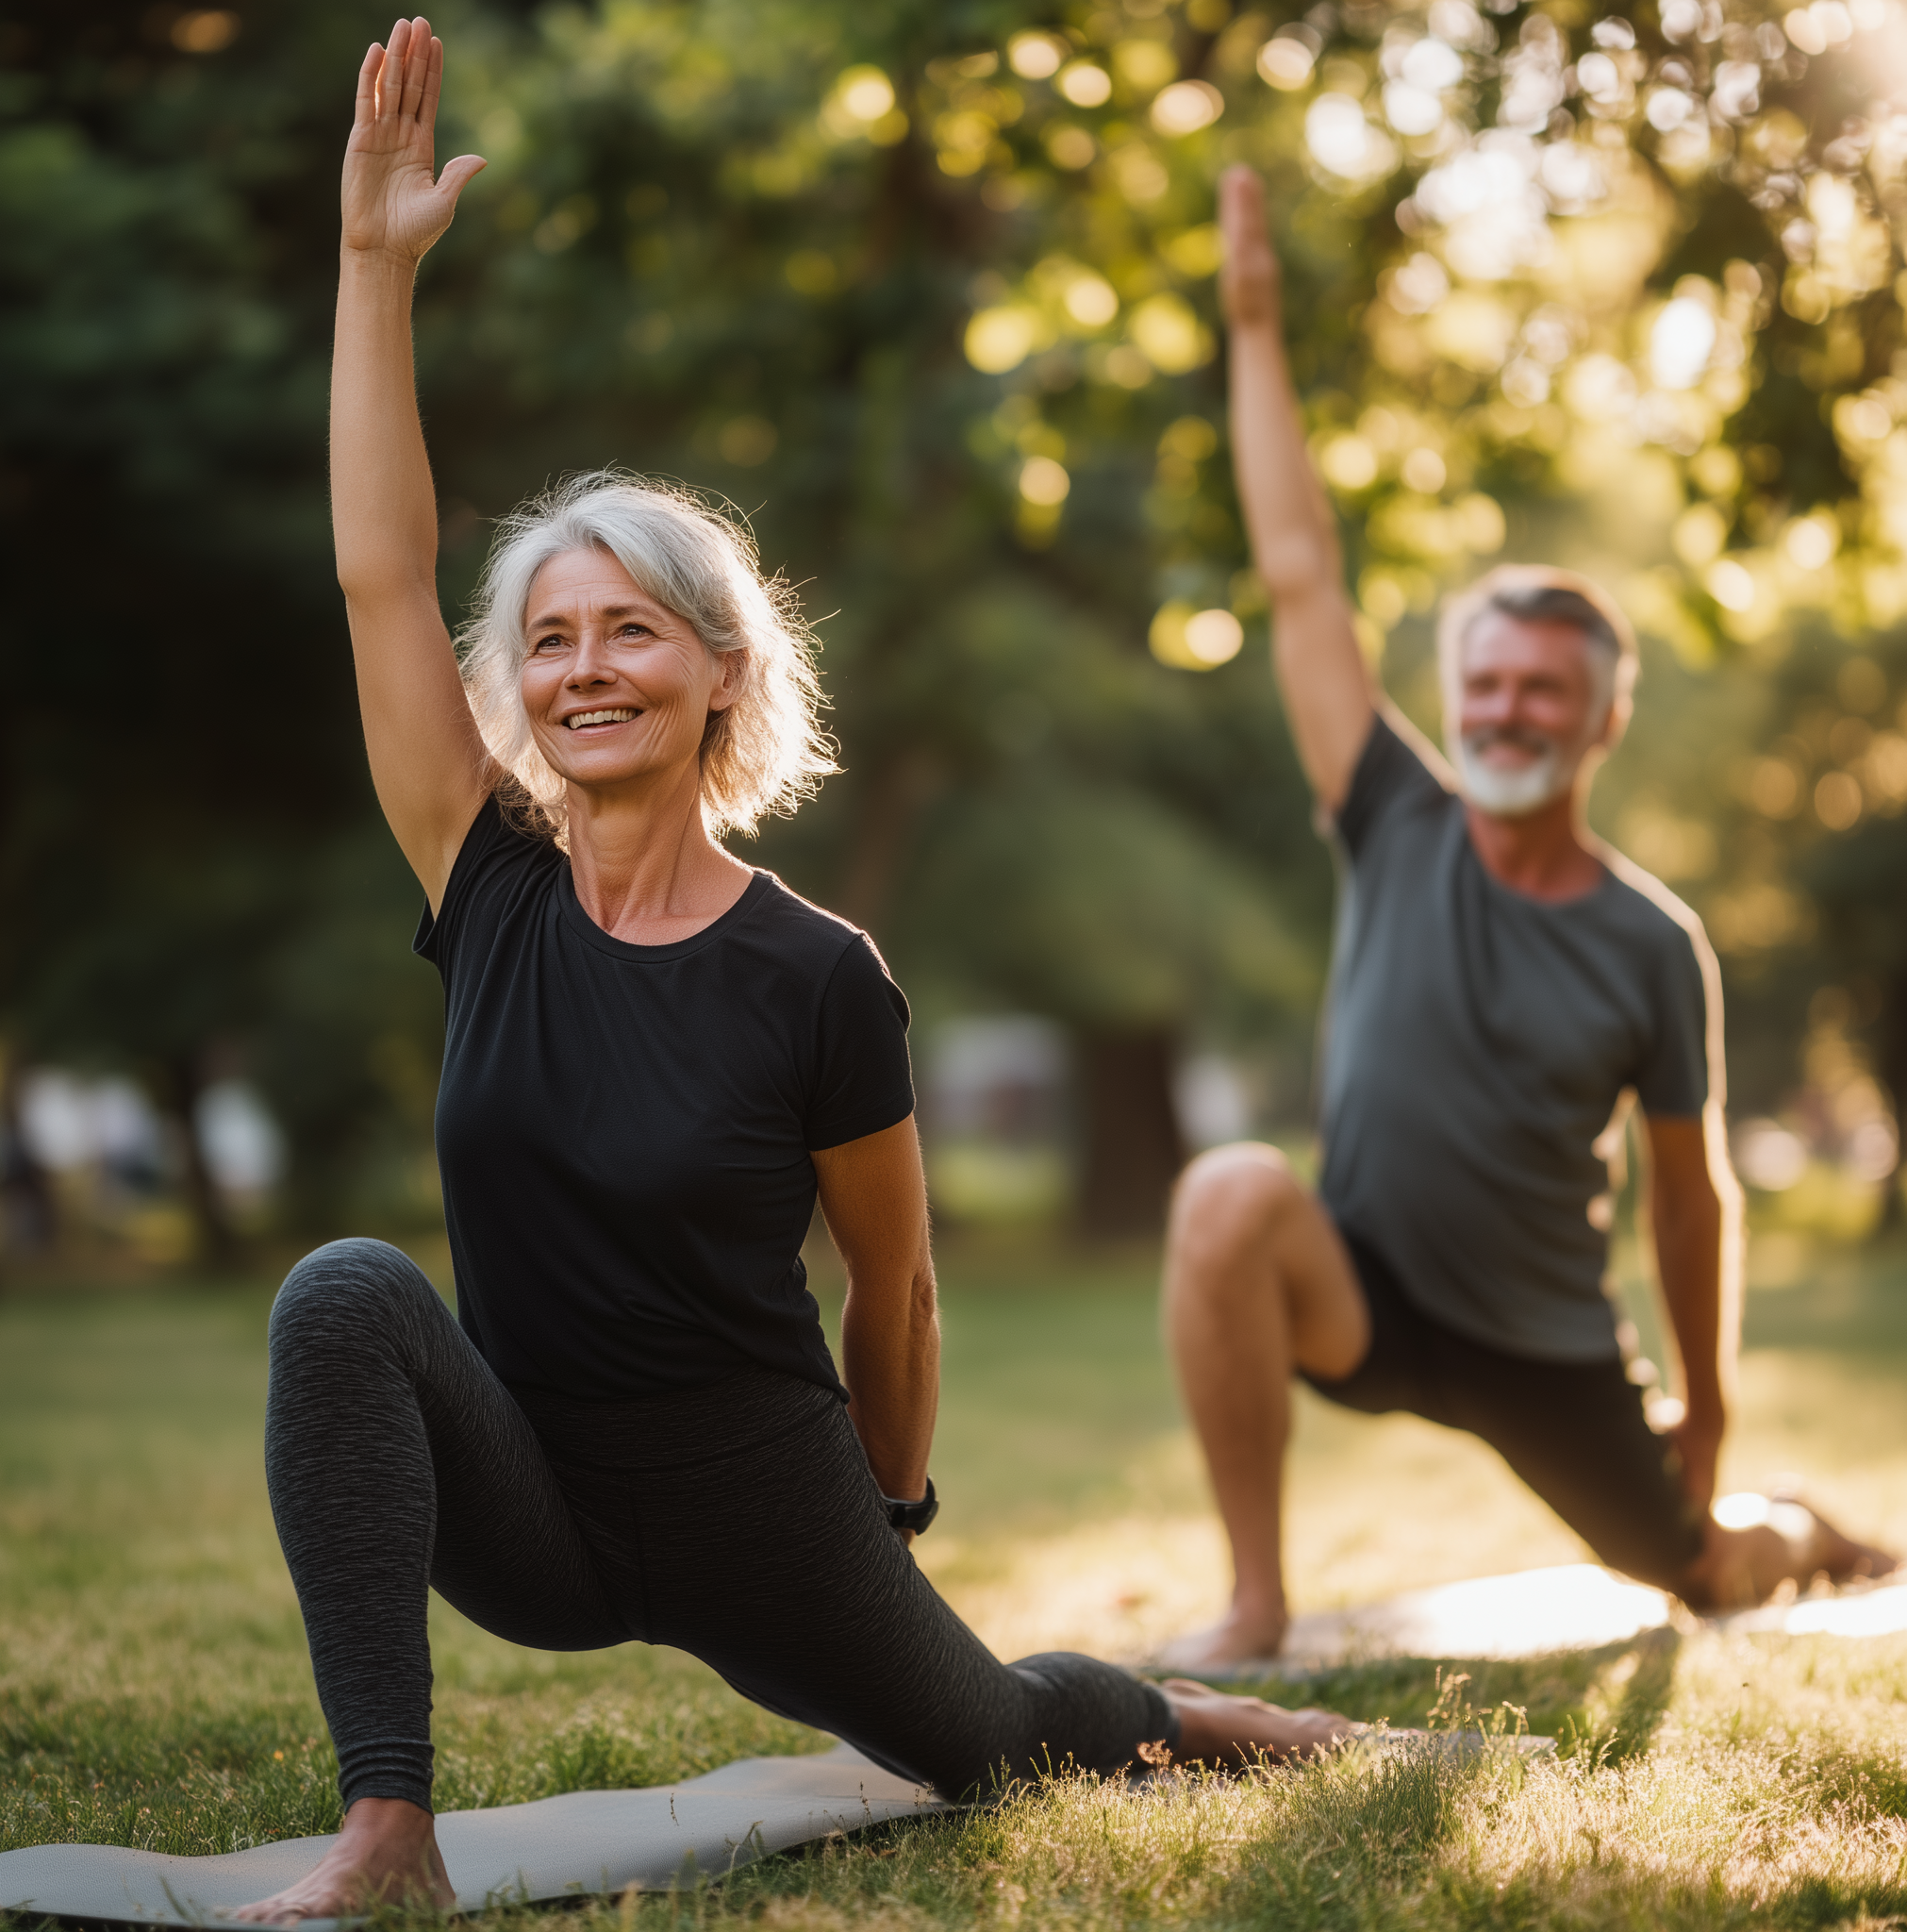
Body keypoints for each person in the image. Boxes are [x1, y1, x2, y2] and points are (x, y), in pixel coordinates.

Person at [235, 25, 1366, 1923]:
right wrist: (373, 270)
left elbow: (897, 1283)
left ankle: (1209, 1715)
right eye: (550, 639)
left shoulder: (818, 971)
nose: (584, 665)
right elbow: (378, 568)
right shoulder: (487, 881)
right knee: (344, 1293)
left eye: (632, 633)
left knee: (993, 1738)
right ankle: (384, 1830)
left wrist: (892, 1516)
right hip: (539, 1500)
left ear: (720, 673)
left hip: (766, 1497)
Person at [1156, 166, 1898, 1672]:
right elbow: (1301, 577)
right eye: (1484, 682)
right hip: (1361, 1288)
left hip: (1546, 1346)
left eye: (1542, 687)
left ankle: (1801, 1528)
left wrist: (1712, 1405)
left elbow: (1692, 1202)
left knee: (1703, 1574)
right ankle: (1255, 1598)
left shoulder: (1650, 941)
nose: (1506, 708)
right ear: (1454, 699)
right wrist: (1252, 330)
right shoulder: (1393, 815)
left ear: (1601, 718)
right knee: (1229, 1191)